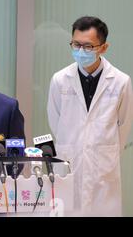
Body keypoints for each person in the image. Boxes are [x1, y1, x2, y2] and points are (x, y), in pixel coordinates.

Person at [48, 16, 133, 216]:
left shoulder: (121, 81)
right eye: (76, 45)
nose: (80, 51)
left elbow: (124, 125)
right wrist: (74, 144)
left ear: (103, 47)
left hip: (103, 170)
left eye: (88, 47)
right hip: (69, 163)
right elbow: (55, 120)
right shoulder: (60, 80)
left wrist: (104, 152)